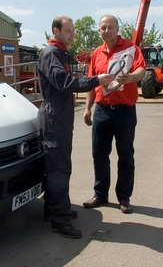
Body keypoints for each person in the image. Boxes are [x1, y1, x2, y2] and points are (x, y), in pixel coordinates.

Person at [37, 15, 112, 239]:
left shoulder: (60, 52)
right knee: (59, 169)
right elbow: (65, 83)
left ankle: (54, 209)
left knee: (59, 166)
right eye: (68, 31)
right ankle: (60, 220)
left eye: (73, 30)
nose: (72, 34)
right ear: (56, 30)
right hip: (54, 119)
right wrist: (96, 80)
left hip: (59, 117)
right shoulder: (51, 54)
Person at [82, 15, 146, 214]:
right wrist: (87, 108)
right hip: (102, 110)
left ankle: (124, 198)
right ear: (99, 31)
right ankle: (100, 194)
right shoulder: (96, 53)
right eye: (102, 28)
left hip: (125, 112)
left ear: (118, 29)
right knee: (99, 154)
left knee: (126, 155)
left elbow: (142, 70)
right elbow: (92, 83)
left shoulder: (130, 48)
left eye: (110, 27)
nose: (106, 31)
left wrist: (131, 78)